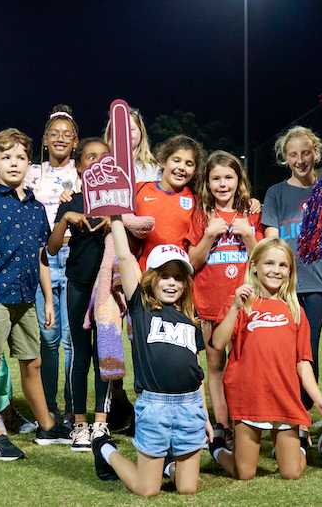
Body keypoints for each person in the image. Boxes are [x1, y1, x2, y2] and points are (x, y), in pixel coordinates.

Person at [0, 128, 73, 461]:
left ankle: (46, 424)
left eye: (20, 157)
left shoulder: (36, 208)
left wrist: (47, 299)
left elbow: (43, 256)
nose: (13, 163)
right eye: (6, 157)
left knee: (33, 362)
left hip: (26, 299)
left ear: (30, 164)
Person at [90, 229, 207, 497]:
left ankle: (167, 465)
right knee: (147, 490)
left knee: (187, 488)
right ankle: (104, 448)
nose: (171, 283)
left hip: (190, 407)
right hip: (155, 406)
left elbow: (196, 370)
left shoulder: (191, 316)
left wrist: (205, 416)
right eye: (164, 276)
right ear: (151, 278)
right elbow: (124, 256)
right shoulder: (141, 307)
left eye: (178, 278)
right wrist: (117, 218)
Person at [209, 239, 322, 480]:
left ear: (290, 271)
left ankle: (299, 440)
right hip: (249, 396)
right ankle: (217, 448)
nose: (276, 270)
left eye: (283, 265)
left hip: (283, 397)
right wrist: (236, 307)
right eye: (269, 263)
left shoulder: (295, 310)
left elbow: (303, 362)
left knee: (292, 472)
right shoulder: (240, 303)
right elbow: (217, 343)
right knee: (244, 473)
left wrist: (318, 398)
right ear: (254, 265)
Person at [48, 138, 122, 450]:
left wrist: (114, 222)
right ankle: (79, 423)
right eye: (90, 157)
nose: (97, 162)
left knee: (105, 354)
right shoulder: (71, 200)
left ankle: (101, 424)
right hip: (77, 285)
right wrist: (66, 218)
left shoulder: (119, 201)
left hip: (107, 292)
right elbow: (51, 248)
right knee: (79, 354)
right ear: (79, 167)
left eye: (104, 157)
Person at [261, 127, 322, 402]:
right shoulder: (276, 193)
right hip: (283, 287)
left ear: (316, 153)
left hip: (316, 285)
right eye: (293, 154)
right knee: (283, 349)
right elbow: (271, 239)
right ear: (285, 158)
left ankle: (302, 414)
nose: (300, 160)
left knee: (309, 350)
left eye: (305, 152)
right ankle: (283, 410)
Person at [185, 150, 261, 431]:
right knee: (215, 367)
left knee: (243, 366)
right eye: (216, 178)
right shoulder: (201, 216)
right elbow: (191, 262)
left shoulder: (251, 214)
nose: (223, 184)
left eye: (228, 177)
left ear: (238, 179)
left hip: (245, 305)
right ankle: (222, 426)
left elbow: (262, 261)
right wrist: (208, 236)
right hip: (209, 305)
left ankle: (244, 422)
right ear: (207, 182)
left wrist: (250, 235)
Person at [27, 104, 82, 420]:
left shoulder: (83, 173)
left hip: (74, 256)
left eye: (67, 135)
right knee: (48, 337)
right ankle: (48, 408)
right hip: (43, 260)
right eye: (54, 134)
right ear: (45, 140)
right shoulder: (33, 173)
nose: (60, 139)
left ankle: (73, 409)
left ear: (75, 142)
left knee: (72, 340)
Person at [133, 135, 202, 270]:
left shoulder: (196, 201)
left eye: (189, 164)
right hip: (142, 272)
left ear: (194, 171)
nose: (182, 167)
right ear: (164, 161)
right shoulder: (140, 189)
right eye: (176, 160)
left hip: (177, 275)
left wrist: (252, 203)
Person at [104, 107, 161, 183]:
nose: (125, 133)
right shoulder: (102, 168)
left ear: (141, 132)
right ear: (110, 135)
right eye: (119, 129)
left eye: (130, 129)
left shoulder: (154, 169)